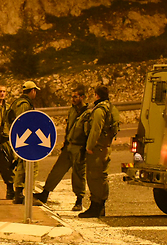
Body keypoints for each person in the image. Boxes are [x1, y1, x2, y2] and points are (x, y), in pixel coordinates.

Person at [33, 85, 88, 211]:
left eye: (75, 97)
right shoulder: (72, 110)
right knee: (57, 170)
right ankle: (45, 194)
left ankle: (79, 200)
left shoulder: (88, 112)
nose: (73, 99)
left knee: (79, 175)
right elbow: (69, 128)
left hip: (79, 148)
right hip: (69, 146)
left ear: (82, 97)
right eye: (72, 97)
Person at [79, 85, 119, 218]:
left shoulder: (99, 110)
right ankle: (100, 206)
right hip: (106, 147)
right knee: (102, 177)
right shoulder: (111, 108)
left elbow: (96, 129)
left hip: (98, 148)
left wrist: (89, 146)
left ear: (97, 95)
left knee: (94, 177)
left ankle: (96, 206)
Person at [9, 80, 41, 204]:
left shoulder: (20, 102)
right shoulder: (23, 104)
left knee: (21, 167)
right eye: (35, 91)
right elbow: (22, 122)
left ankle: (18, 195)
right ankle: (29, 196)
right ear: (32, 91)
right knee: (32, 167)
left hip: (21, 140)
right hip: (25, 140)